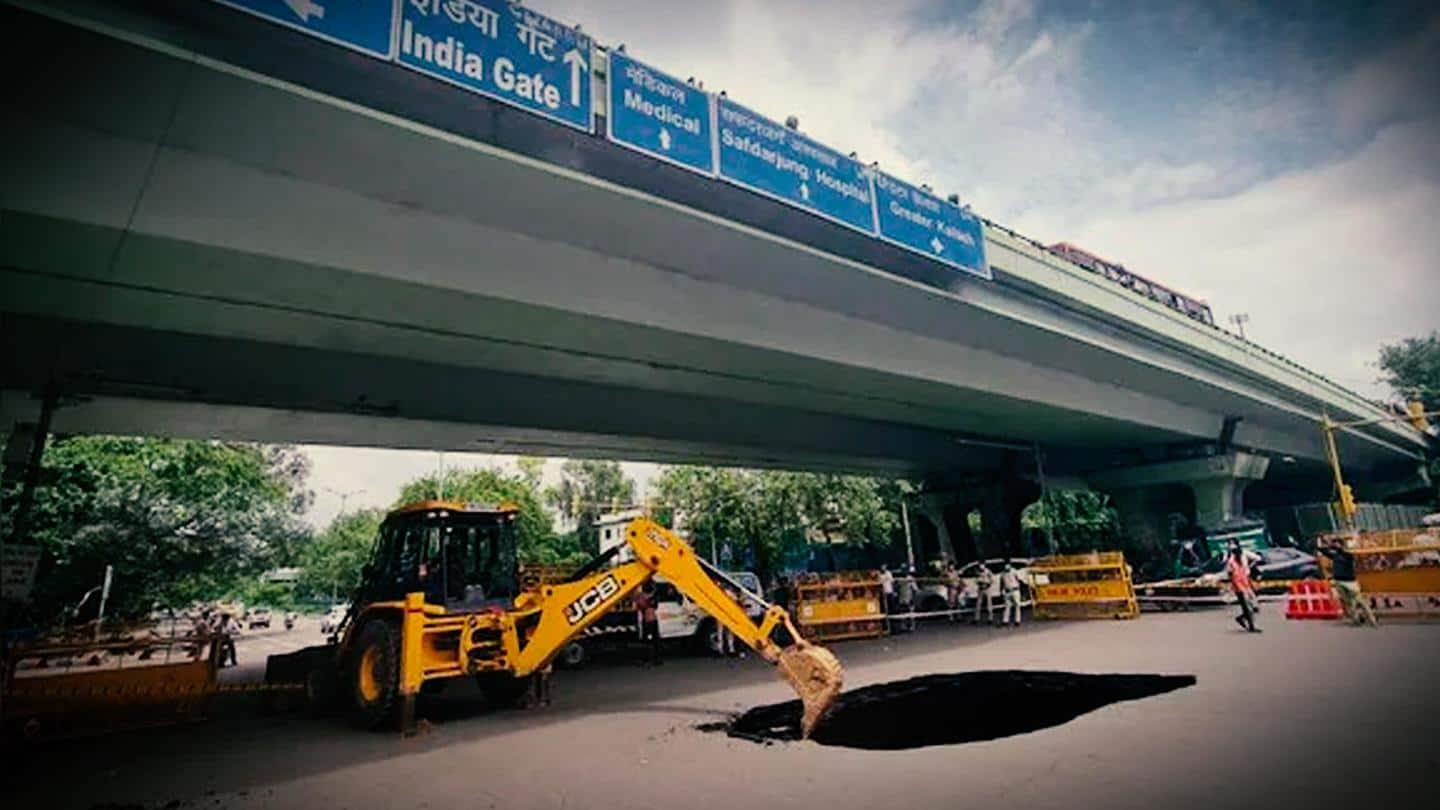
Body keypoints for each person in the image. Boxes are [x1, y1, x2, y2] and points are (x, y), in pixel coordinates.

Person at [1320, 544, 1378, 627]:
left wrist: (1338, 548)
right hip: (1339, 582)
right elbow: (1324, 551)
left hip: (1351, 582)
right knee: (1348, 603)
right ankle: (1356, 619)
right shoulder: (1335, 556)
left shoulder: (1348, 556)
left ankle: (1372, 619)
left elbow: (1343, 552)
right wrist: (1328, 547)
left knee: (1361, 601)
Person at [1226, 543, 1260, 633]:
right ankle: (1251, 626)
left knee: (1253, 606)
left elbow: (1245, 573)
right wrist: (1236, 587)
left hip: (1246, 585)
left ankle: (1241, 618)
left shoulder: (1242, 559)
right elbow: (1230, 575)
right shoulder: (1231, 562)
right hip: (1239, 587)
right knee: (1246, 607)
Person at [634, 582, 661, 666]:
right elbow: (653, 606)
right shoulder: (649, 597)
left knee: (649, 641)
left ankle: (651, 659)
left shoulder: (641, 597)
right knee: (652, 641)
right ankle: (652, 659)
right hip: (651, 621)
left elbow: (639, 605)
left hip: (647, 621)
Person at [1000, 561, 1023, 626]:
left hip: (1015, 590)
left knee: (1017, 605)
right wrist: (1001, 591)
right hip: (1007, 591)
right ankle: (1005, 621)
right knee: (1007, 606)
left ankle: (1017, 621)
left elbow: (1018, 580)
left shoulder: (1014, 571)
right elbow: (1001, 583)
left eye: (1007, 565)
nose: (1006, 566)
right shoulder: (1002, 573)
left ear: (1010, 565)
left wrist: (1019, 588)